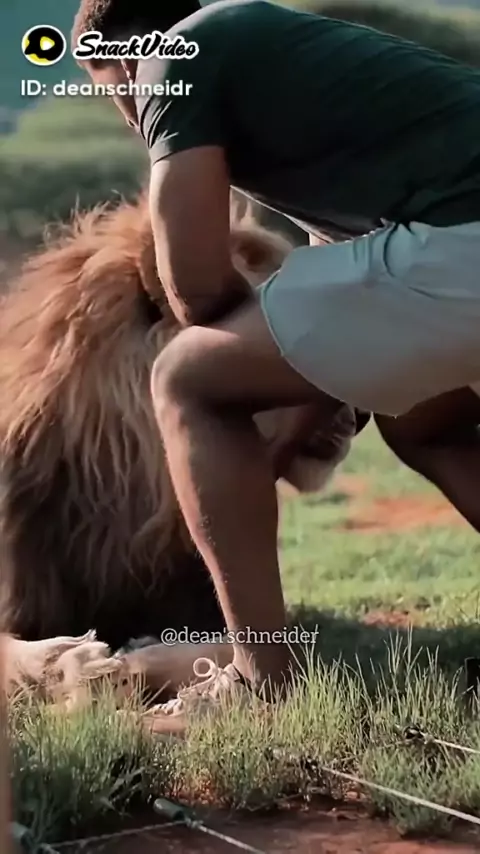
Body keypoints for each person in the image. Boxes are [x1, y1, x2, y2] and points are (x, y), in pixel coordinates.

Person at [71, 0, 480, 727]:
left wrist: (239, 387)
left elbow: (196, 289)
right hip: (456, 239)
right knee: (425, 419)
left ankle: (260, 681)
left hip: (463, 236)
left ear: (118, 60)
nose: (127, 116)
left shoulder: (175, 60)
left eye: (109, 92)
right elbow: (349, 307)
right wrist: (290, 424)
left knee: (187, 380)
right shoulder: (284, 72)